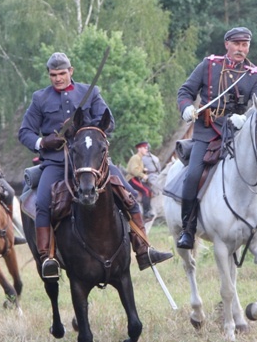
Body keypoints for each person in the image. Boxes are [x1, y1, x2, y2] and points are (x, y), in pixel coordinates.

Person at [19, 52, 172, 278]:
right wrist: (44, 141)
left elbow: (108, 123)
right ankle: (47, 259)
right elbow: (25, 133)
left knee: (129, 196)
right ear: (49, 75)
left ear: (70, 71)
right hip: (56, 161)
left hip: (91, 161)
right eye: (53, 75)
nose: (58, 78)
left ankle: (143, 249)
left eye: (62, 73)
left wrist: (83, 130)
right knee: (42, 204)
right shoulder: (39, 98)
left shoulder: (90, 92)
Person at [175, 26, 257, 250]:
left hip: (239, 132)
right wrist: (187, 108)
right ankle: (188, 230)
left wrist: (244, 118)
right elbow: (185, 92)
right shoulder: (209, 65)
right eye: (236, 44)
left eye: (244, 45)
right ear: (227, 44)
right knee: (193, 174)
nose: (240, 49)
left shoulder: (254, 74)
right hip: (208, 131)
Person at [126, 141, 154, 221]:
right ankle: (146, 212)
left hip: (136, 178)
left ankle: (148, 208)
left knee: (150, 190)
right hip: (132, 179)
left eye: (147, 148)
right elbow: (133, 170)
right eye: (145, 148)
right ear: (139, 149)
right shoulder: (136, 158)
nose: (146, 150)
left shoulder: (140, 159)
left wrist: (143, 170)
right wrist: (143, 175)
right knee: (146, 190)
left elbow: (137, 169)